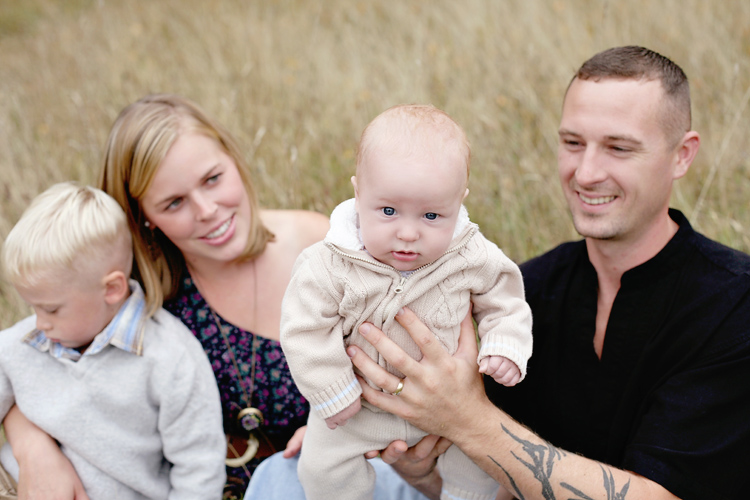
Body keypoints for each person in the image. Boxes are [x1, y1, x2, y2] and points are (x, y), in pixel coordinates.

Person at [347, 46, 750, 500]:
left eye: (618, 148)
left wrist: (467, 418)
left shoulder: (733, 305)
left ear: (682, 155)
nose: (586, 173)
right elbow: (498, 484)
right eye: (572, 143)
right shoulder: (528, 289)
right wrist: (418, 470)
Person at [0, 94, 330, 499]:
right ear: (145, 217)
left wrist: (337, 428)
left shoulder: (319, 245)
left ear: (233, 158)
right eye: (174, 203)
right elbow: (35, 355)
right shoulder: (133, 289)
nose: (206, 210)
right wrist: (33, 449)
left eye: (213, 179)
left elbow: (390, 364)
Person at [279, 104, 532, 500]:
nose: (409, 233)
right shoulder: (328, 264)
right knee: (321, 469)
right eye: (389, 211)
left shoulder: (470, 254)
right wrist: (332, 389)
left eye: (431, 216)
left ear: (459, 201)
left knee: (481, 462)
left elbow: (506, 299)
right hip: (359, 408)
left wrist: (505, 345)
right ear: (358, 193)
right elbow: (304, 329)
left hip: (450, 407)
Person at [0, 182, 225, 499]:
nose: (39, 323)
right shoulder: (22, 344)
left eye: (50, 309)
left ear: (112, 289)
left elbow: (199, 468)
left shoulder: (169, 359)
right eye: (32, 307)